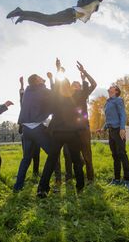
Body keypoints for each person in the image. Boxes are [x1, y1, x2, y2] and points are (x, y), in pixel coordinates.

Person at [37, 61, 87, 198]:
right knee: (76, 160)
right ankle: (80, 187)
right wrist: (83, 77)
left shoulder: (56, 96)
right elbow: (86, 89)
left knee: (51, 160)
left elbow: (56, 86)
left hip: (57, 132)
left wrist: (59, 69)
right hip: (72, 133)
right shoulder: (77, 96)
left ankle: (42, 189)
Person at [14, 74, 62, 192]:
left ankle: (17, 187)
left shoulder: (27, 91)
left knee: (26, 159)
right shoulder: (42, 90)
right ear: (37, 80)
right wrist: (50, 79)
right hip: (37, 129)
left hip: (26, 129)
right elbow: (55, 95)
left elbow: (24, 95)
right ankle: (58, 179)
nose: (42, 79)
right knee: (53, 153)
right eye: (40, 78)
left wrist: (22, 84)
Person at [62, 61, 96, 183]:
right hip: (70, 130)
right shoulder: (66, 97)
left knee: (87, 154)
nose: (75, 85)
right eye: (73, 84)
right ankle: (70, 176)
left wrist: (84, 73)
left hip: (83, 129)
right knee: (69, 154)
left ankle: (90, 178)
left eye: (77, 84)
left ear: (81, 87)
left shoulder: (84, 93)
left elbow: (94, 84)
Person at [102, 84, 129, 189]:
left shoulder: (118, 100)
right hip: (111, 131)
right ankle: (117, 179)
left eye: (112, 86)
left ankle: (127, 180)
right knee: (115, 155)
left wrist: (122, 128)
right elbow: (109, 119)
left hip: (118, 131)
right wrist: (103, 128)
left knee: (122, 154)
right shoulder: (108, 102)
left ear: (116, 91)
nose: (109, 87)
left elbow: (122, 114)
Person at [19, 76, 40, 177]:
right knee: (27, 155)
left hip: (37, 129)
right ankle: (23, 174)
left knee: (36, 153)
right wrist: (22, 85)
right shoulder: (24, 102)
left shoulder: (36, 101)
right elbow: (22, 94)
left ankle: (35, 172)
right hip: (26, 131)